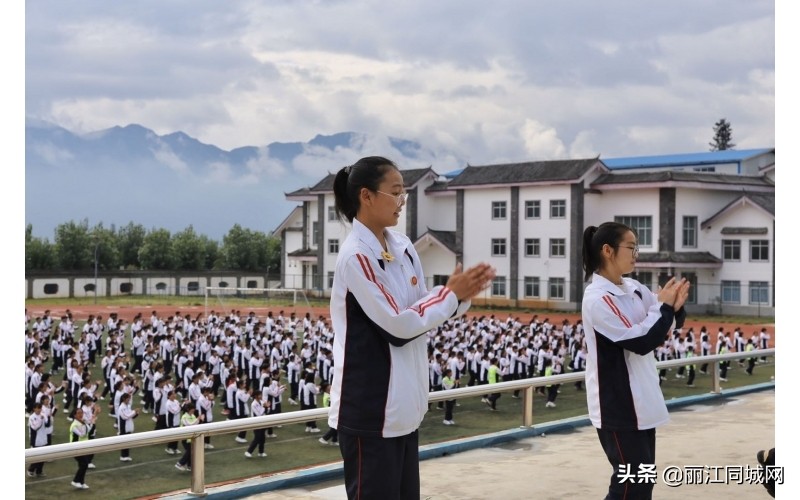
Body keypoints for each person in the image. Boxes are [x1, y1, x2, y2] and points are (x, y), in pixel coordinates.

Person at [327, 156, 496, 499]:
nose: (402, 201)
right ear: (367, 196)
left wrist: (457, 297)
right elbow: (399, 325)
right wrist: (448, 295)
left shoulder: (402, 247)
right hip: (371, 412)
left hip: (405, 408)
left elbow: (423, 310)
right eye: (396, 192)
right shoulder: (357, 256)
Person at [581, 221, 690, 500]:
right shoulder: (598, 299)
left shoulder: (634, 288)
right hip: (617, 405)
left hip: (642, 400)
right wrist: (665, 307)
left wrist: (674, 306)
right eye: (631, 247)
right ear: (608, 250)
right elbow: (641, 341)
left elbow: (663, 325)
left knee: (643, 482)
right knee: (629, 485)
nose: (636, 253)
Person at [175, 403, 204, 471]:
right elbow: (189, 425)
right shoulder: (184, 417)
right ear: (188, 409)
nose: (193, 410)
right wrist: (198, 419)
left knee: (192, 451)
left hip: (191, 437)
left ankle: (189, 466)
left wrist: (200, 420)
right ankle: (180, 463)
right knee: (190, 450)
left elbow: (195, 424)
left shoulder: (192, 416)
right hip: (185, 437)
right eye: (192, 409)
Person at [70, 407, 91, 489]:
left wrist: (85, 424)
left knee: (83, 465)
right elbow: (82, 434)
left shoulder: (82, 423)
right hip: (75, 448)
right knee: (84, 464)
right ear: (75, 415)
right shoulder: (74, 425)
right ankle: (75, 481)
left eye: (81, 413)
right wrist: (85, 424)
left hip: (83, 447)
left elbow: (89, 429)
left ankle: (81, 482)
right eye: (78, 413)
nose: (81, 415)